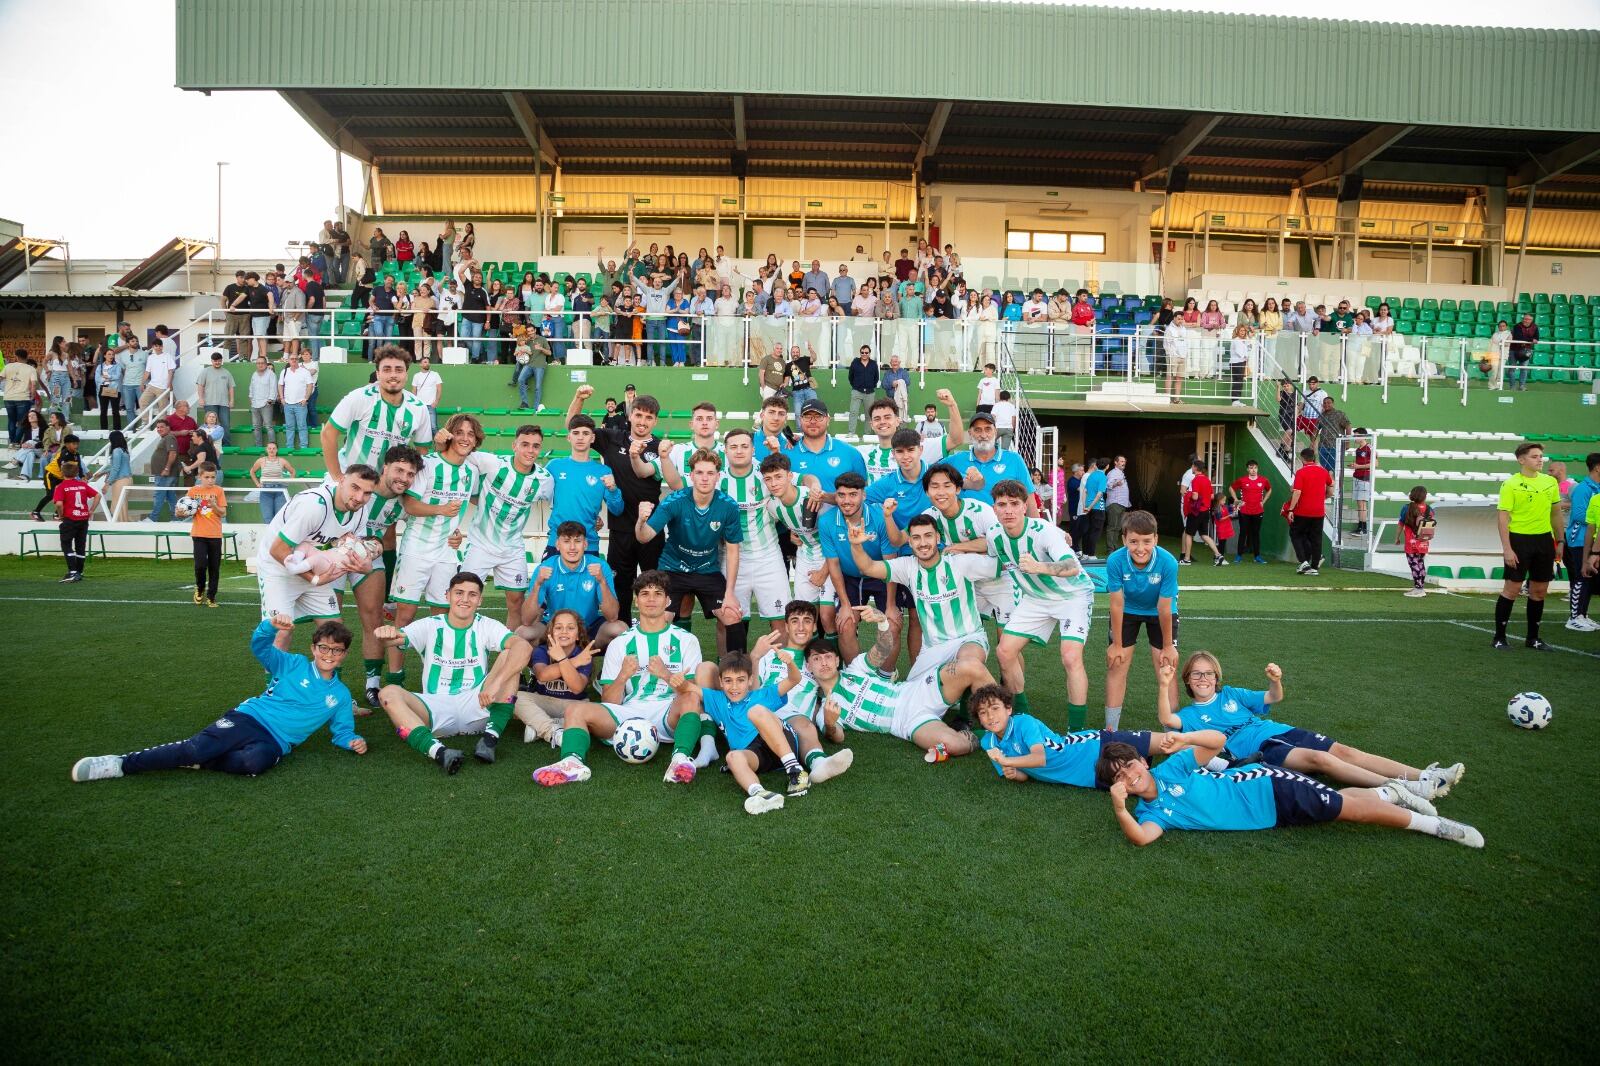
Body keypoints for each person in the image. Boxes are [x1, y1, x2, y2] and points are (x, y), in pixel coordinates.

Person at [70, 615, 365, 783]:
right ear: (313, 648)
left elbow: (342, 730)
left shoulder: (339, 695)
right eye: (323, 648)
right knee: (197, 748)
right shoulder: (292, 664)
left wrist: (352, 742)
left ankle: (202, 762)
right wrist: (269, 627)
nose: (329, 655)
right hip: (251, 718)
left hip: (278, 743)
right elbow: (260, 649)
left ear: (344, 655)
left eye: (336, 650)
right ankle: (120, 763)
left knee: (254, 763)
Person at [1096, 737, 1483, 849]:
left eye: (1130, 765)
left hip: (1266, 784)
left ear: (1142, 763)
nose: (1128, 775)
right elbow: (1143, 839)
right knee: (1339, 805)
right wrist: (1120, 810)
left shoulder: (1171, 767)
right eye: (1119, 777)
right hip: (1271, 815)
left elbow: (1214, 743)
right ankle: (1392, 794)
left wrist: (1185, 740)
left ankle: (1434, 826)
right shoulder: (1152, 814)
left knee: (1348, 810)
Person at [533, 569, 709, 788]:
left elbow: (694, 694)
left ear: (668, 600)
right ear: (636, 601)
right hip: (629, 711)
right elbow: (610, 702)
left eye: (658, 593)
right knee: (575, 710)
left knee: (691, 699)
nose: (651, 599)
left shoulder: (686, 640)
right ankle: (572, 762)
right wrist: (623, 676)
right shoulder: (620, 643)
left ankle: (680, 759)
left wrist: (666, 674)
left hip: (668, 710)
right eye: (645, 593)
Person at [788, 606, 992, 763]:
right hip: (906, 723)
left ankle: (1010, 727)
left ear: (836, 660)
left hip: (916, 691)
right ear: (808, 665)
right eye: (816, 659)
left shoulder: (856, 668)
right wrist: (831, 724)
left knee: (971, 666)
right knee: (954, 745)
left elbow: (883, 648)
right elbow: (837, 737)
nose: (823, 663)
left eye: (828, 657)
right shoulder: (826, 710)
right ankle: (986, 736)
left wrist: (882, 622)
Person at [373, 572, 533, 773]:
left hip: (478, 704)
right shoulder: (431, 625)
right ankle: (439, 752)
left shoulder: (486, 625)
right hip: (435, 708)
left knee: (511, 652)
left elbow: (524, 647)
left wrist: (496, 683)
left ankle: (489, 740)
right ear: (447, 595)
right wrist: (384, 634)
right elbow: (396, 639)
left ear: (480, 600)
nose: (465, 599)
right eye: (459, 593)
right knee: (388, 693)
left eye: (472, 595)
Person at [680, 634, 851, 813]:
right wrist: (669, 676)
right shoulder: (716, 699)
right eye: (728, 681)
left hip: (780, 741)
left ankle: (795, 771)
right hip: (757, 755)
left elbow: (794, 680)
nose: (734, 687)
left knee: (756, 710)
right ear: (721, 682)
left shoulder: (761, 695)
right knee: (732, 757)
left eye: (740, 680)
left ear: (751, 680)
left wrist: (790, 664)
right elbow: (688, 688)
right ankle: (761, 795)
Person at [985, 478, 1094, 729]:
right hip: (1036, 598)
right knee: (1005, 651)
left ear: (1026, 506)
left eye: (1014, 503)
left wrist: (1039, 567)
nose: (1008, 510)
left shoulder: (1043, 531)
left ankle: (1076, 731)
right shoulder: (993, 535)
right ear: (995, 509)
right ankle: (1022, 720)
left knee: (1070, 656)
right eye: (1002, 504)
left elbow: (1071, 567)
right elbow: (991, 561)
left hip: (1072, 596)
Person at [975, 684, 1225, 792]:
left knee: (1169, 743)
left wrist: (1008, 762)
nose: (990, 716)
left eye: (995, 708)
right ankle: (1215, 774)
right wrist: (1013, 774)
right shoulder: (989, 743)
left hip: (1097, 744)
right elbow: (1025, 775)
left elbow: (1039, 759)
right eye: (983, 713)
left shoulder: (1024, 722)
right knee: (1156, 783)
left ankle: (1224, 762)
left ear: (1008, 708)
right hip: (1092, 775)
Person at [387, 414, 484, 678]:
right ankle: (395, 677)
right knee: (405, 617)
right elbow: (409, 505)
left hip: (447, 552)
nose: (465, 438)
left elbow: (462, 510)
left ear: (476, 441)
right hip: (416, 549)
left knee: (442, 619)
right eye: (461, 432)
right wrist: (440, 509)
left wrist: (456, 534)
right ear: (450, 435)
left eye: (471, 434)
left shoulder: (471, 472)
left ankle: (437, 676)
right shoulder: (428, 465)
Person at [256, 466, 380, 651]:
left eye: (367, 493)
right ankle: (275, 681)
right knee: (282, 631)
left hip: (313, 570)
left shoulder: (361, 511)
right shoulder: (314, 505)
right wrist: (314, 579)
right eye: (355, 487)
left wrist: (365, 566)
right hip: (278, 568)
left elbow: (348, 547)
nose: (360, 497)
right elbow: (278, 549)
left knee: (334, 633)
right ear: (342, 481)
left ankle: (327, 680)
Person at [635, 449, 745, 641]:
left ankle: (734, 670)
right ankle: (664, 666)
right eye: (700, 473)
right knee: (661, 619)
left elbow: (733, 551)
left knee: (732, 616)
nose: (705, 478)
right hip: (673, 567)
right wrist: (641, 522)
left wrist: (729, 593)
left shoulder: (728, 506)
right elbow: (644, 537)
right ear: (691, 475)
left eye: (710, 473)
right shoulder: (674, 501)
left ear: (718, 476)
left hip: (707, 570)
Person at [456, 423, 552, 624]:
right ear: (514, 445)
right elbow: (458, 451)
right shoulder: (492, 463)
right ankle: (463, 647)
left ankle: (511, 651)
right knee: (465, 597)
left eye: (536, 446)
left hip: (512, 548)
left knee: (516, 601)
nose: (530, 450)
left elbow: (558, 505)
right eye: (525, 444)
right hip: (480, 545)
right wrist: (441, 441)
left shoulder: (544, 480)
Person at [1103, 510, 1180, 729]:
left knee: (1166, 665)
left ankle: (1172, 731)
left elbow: (1164, 607)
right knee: (1117, 663)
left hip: (1160, 612)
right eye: (1134, 541)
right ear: (1124, 539)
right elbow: (1116, 603)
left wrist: (1168, 646)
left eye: (1147, 541)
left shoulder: (1168, 562)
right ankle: (1111, 730)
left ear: (1156, 539)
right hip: (1127, 609)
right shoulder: (1115, 561)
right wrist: (1116, 644)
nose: (1140, 548)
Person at [320, 347, 433, 480]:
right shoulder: (359, 397)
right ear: (378, 374)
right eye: (386, 369)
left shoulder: (419, 408)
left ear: (406, 375)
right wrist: (337, 476)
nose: (393, 375)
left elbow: (423, 452)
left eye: (399, 370)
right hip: (353, 480)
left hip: (389, 486)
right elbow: (328, 433)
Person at [1494, 441, 1562, 651]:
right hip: (1519, 540)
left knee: (1539, 591)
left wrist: (1560, 541)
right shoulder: (1510, 484)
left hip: (1543, 541)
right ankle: (1499, 637)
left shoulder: (1550, 482)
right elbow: (1503, 518)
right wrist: (1507, 548)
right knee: (1512, 589)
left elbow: (1556, 514)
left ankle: (1533, 638)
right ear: (1521, 460)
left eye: (1541, 456)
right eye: (1535, 456)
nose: (1540, 460)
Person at [545, 413, 624, 558]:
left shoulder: (603, 471)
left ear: (592, 438)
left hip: (588, 544)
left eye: (585, 433)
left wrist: (613, 490)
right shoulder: (554, 466)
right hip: (556, 542)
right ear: (569, 437)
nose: (580, 437)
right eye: (575, 433)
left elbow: (617, 509)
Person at [1561, 453, 1600, 631]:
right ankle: (1574, 617)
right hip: (1579, 539)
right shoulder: (1584, 488)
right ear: (1597, 467)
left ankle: (1582, 615)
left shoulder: (1596, 488)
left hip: (1592, 539)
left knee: (1589, 578)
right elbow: (1578, 515)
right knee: (1580, 577)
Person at [186, 463, 228, 607]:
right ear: (200, 477)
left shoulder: (219, 491)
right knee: (200, 565)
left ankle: (211, 596)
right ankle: (200, 588)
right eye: (207, 477)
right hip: (199, 534)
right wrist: (180, 512)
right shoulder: (192, 491)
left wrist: (214, 505)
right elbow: (183, 509)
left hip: (215, 535)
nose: (210, 480)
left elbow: (223, 513)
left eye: (213, 477)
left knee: (214, 567)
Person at [49, 459, 97, 584]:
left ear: (62, 473)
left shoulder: (61, 487)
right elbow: (97, 495)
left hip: (70, 519)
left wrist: (61, 515)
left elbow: (59, 504)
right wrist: (91, 510)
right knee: (80, 546)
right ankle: (79, 572)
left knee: (66, 544)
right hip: (83, 519)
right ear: (76, 473)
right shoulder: (82, 485)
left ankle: (72, 572)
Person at [1286, 448, 1332, 575]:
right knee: (1316, 539)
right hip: (1319, 511)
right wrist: (1323, 498)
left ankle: (1303, 562)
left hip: (1303, 511)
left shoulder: (1301, 472)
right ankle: (1314, 568)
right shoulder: (1323, 471)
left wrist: (1291, 508)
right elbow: (1331, 489)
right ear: (1313, 458)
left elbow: (1297, 492)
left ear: (1302, 459)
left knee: (1296, 534)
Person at [1179, 458, 1222, 565]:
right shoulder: (1207, 480)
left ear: (1195, 468)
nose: (1191, 468)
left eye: (1192, 466)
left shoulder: (1195, 480)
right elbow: (1212, 496)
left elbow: (1195, 497)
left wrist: (1188, 495)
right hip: (1205, 511)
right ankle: (1218, 555)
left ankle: (1186, 559)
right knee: (1204, 535)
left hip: (1196, 512)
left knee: (1189, 534)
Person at [1397, 485, 1436, 598]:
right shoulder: (1430, 509)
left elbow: (1401, 523)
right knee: (1420, 564)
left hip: (1411, 541)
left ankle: (1418, 589)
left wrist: (1397, 537)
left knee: (1414, 565)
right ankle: (1420, 587)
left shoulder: (1407, 508)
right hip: (1424, 541)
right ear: (1424, 496)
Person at [1229, 459, 1272, 563]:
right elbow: (1231, 488)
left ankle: (1257, 557)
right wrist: (1236, 500)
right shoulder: (1242, 480)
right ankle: (1239, 556)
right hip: (1244, 511)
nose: (1253, 470)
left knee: (1256, 533)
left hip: (1258, 511)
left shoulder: (1263, 480)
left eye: (1255, 468)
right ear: (1247, 469)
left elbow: (1269, 489)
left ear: (1257, 468)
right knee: (1243, 533)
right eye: (1251, 468)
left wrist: (1263, 502)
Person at [249, 441, 296, 526]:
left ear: (277, 450)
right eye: (269, 448)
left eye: (274, 448)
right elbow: (252, 471)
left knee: (279, 518)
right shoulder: (261, 460)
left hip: (280, 491)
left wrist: (288, 483)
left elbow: (293, 471)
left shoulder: (282, 461)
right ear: (266, 450)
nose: (272, 450)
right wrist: (257, 484)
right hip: (266, 490)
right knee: (267, 518)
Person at [846, 344, 879, 435]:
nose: (864, 354)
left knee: (869, 415)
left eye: (866, 352)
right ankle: (851, 432)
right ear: (860, 353)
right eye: (862, 352)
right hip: (857, 391)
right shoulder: (855, 362)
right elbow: (850, 377)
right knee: (853, 412)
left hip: (869, 393)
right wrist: (856, 386)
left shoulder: (873, 364)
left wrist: (871, 386)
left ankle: (867, 434)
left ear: (869, 353)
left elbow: (876, 377)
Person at [410, 355, 443, 435]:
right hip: (419, 406)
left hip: (431, 405)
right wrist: (414, 404)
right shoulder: (416, 376)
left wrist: (436, 402)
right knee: (416, 427)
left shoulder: (435, 374)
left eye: (428, 362)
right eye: (425, 362)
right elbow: (414, 391)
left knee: (433, 427)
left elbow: (439, 389)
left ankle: (438, 446)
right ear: (420, 364)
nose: (427, 364)